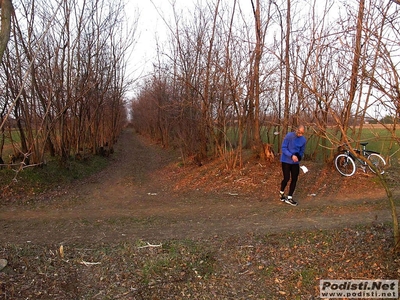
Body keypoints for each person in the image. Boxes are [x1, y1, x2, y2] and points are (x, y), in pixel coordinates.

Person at [279, 125, 307, 206]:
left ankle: (290, 197)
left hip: (295, 162)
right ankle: (281, 193)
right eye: (299, 132)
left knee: (294, 179)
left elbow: (301, 151)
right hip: (286, 160)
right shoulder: (289, 136)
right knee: (286, 178)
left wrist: (299, 157)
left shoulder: (303, 140)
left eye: (302, 133)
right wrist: (291, 155)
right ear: (296, 130)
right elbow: (283, 148)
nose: (300, 134)